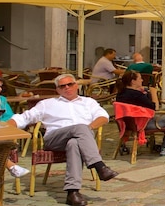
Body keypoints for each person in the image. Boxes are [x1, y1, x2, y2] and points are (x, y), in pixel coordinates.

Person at [11, 74, 119, 206]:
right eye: (63, 86)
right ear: (58, 90)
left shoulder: (88, 102)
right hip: (54, 139)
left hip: (80, 138)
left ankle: (72, 192)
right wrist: (6, 125)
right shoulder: (47, 104)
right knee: (79, 129)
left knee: (73, 143)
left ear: (76, 86)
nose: (67, 88)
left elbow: (103, 117)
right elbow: (25, 118)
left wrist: (87, 129)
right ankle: (99, 166)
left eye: (70, 84)